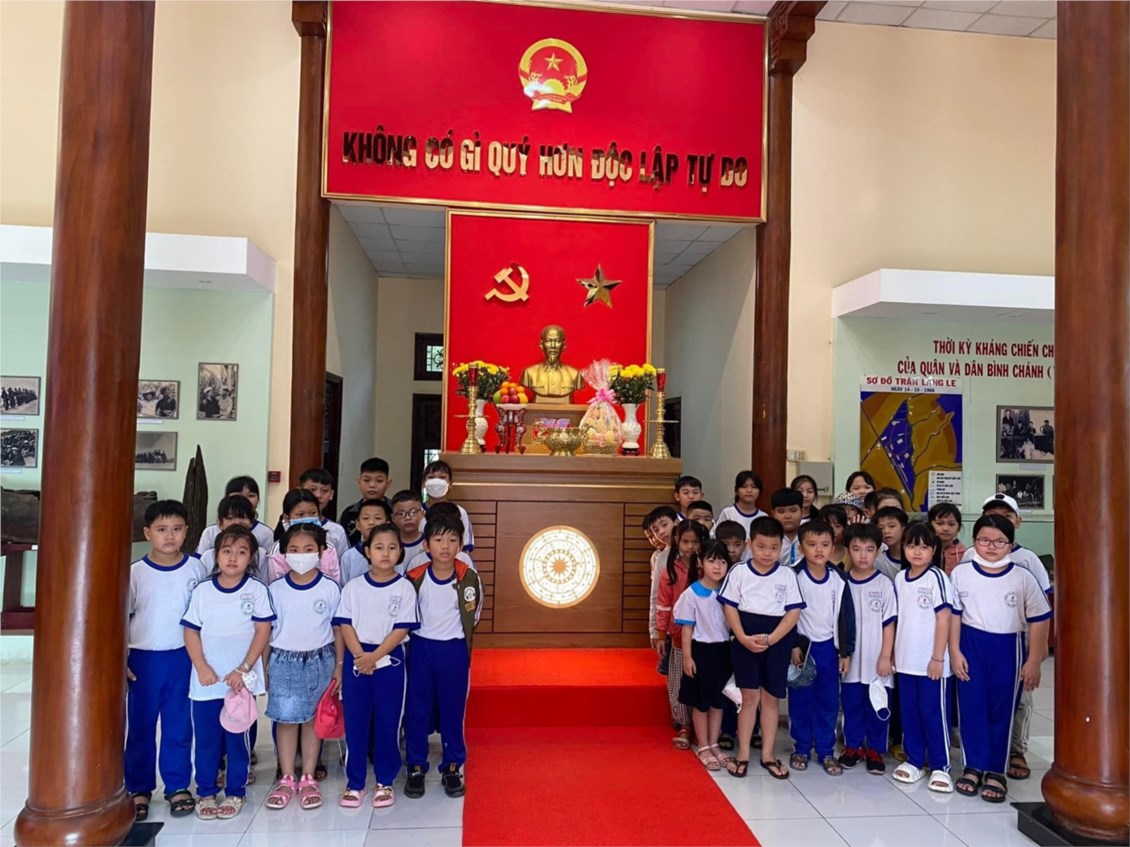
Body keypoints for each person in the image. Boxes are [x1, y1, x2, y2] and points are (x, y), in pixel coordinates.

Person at [950, 514, 1051, 804]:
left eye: (999, 541)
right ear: (974, 542)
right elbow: (954, 615)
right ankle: (973, 766)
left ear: (1010, 544)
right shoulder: (961, 573)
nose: (991, 546)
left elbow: (1040, 618)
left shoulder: (1022, 576)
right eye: (984, 540)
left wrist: (1033, 660)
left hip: (1008, 647)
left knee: (1001, 709)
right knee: (971, 706)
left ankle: (996, 770)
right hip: (970, 644)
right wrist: (955, 651)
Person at [181, 525, 275, 820]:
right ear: (216, 555)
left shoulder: (257, 590)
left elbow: (263, 631)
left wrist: (243, 669)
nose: (233, 557)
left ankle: (236, 791)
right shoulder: (203, 591)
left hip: (240, 684)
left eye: (242, 552)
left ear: (252, 558)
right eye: (227, 551)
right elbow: (191, 632)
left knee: (237, 741)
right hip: (206, 683)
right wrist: (202, 666)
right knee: (206, 741)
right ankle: (206, 791)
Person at [125, 500, 209, 821]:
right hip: (143, 660)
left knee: (178, 725)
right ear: (148, 533)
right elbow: (121, 618)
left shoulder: (196, 569)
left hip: (182, 658)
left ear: (187, 531)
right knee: (141, 726)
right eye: (161, 530)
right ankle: (138, 788)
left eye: (176, 529)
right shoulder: (135, 573)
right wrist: (121, 658)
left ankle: (177, 785)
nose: (170, 536)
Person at [334, 523, 419, 808]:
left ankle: (384, 780)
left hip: (390, 660)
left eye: (392, 548)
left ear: (400, 552)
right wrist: (361, 656)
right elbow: (345, 624)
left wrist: (374, 657)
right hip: (357, 659)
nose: (385, 553)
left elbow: (401, 629)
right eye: (379, 547)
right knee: (356, 723)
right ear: (367, 551)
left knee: (388, 722)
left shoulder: (405, 588)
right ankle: (355, 783)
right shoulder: (353, 587)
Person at [264, 523, 342, 812]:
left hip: (321, 660)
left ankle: (308, 776)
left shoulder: (330, 587)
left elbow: (338, 630)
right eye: (294, 550)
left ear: (321, 552)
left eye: (308, 549)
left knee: (313, 720)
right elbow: (266, 632)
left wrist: (339, 666)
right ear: (284, 553)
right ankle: (287, 777)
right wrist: (263, 668)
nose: (301, 555)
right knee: (286, 720)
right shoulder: (275, 589)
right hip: (283, 660)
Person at [404, 515, 483, 799]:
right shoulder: (415, 577)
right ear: (426, 545)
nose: (445, 546)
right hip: (421, 648)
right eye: (438, 540)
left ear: (461, 544)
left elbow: (474, 614)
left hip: (453, 650)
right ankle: (416, 765)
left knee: (453, 709)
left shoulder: (469, 577)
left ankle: (452, 765)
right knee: (417, 709)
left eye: (452, 540)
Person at [718, 516, 803, 780]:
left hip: (777, 642)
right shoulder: (739, 572)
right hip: (745, 640)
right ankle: (743, 753)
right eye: (761, 546)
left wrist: (772, 639)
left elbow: (793, 613)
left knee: (770, 698)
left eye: (774, 548)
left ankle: (767, 754)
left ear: (781, 547)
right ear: (749, 544)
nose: (768, 553)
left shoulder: (787, 575)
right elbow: (729, 606)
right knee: (748, 698)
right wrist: (742, 637)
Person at [891, 522, 955, 793]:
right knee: (910, 712)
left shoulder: (937, 577)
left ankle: (941, 766)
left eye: (924, 547)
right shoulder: (899, 578)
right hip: (905, 661)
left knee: (933, 713)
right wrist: (893, 654)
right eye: (911, 546)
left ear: (934, 549)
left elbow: (944, 618)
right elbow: (898, 619)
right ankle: (914, 760)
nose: (917, 552)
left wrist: (938, 658)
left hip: (932, 663)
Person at [788, 520, 855, 776]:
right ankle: (802, 747)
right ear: (801, 547)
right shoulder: (793, 576)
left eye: (825, 545)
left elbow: (847, 618)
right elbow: (785, 614)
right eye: (812, 544)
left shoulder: (839, 578)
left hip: (829, 648)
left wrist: (846, 652)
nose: (819, 550)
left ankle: (826, 750)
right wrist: (792, 645)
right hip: (803, 651)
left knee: (828, 702)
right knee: (800, 701)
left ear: (832, 547)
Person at [839, 523, 897, 775]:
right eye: (856, 549)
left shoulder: (884, 584)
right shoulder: (842, 583)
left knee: (877, 704)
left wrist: (886, 655)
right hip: (851, 659)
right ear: (848, 550)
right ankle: (852, 746)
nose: (863, 555)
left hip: (877, 658)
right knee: (851, 703)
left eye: (869, 549)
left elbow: (889, 623)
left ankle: (875, 749)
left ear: (878, 551)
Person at [676, 540, 735, 771]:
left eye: (722, 561)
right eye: (712, 561)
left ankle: (714, 743)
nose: (718, 566)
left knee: (718, 701)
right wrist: (688, 658)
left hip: (723, 651)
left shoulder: (729, 591)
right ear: (701, 563)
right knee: (701, 703)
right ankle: (702, 745)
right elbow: (687, 629)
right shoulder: (692, 593)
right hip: (701, 651)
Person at [656, 520, 709, 749]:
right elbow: (663, 604)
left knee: (701, 680)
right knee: (678, 680)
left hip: (705, 634)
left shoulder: (706, 567)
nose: (690, 546)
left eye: (695, 542)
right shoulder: (670, 569)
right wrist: (661, 634)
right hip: (678, 634)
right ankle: (684, 724)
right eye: (685, 541)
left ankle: (701, 727)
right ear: (677, 541)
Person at [266, 489, 341, 584]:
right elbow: (276, 584)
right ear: (286, 518)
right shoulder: (277, 551)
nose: (307, 518)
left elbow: (334, 582)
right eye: (300, 514)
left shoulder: (328, 548)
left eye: (313, 513)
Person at [644, 506, 679, 676]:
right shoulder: (661, 559)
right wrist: (655, 629)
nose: (661, 532)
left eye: (664, 525)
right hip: (671, 625)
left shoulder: (695, 550)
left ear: (676, 522)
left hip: (696, 626)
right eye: (656, 530)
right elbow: (655, 596)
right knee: (672, 672)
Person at [197, 476, 274, 554]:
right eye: (230, 518)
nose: (244, 499)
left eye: (251, 496)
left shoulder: (266, 533)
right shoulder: (210, 532)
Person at [196, 495, 271, 573]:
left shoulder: (261, 555)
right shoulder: (208, 556)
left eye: (243, 517)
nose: (237, 522)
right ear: (219, 523)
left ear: (251, 522)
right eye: (230, 518)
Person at [420, 459, 474, 553]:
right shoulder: (417, 512)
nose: (436, 481)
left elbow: (465, 547)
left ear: (450, 484)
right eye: (431, 477)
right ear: (424, 483)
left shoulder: (460, 512)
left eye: (442, 477)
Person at [298, 468, 351, 558]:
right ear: (300, 491)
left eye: (325, 491)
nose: (318, 495)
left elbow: (344, 561)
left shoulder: (337, 530)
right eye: (312, 489)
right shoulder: (288, 525)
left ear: (331, 494)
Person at [339, 457, 392, 546]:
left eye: (379, 481)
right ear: (359, 482)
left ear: (388, 484)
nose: (372, 485)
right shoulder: (349, 514)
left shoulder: (396, 512)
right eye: (366, 480)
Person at [340, 499, 393, 583]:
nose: (371, 522)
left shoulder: (393, 554)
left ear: (387, 524)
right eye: (366, 518)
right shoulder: (348, 556)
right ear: (357, 525)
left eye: (378, 518)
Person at [716, 471, 767, 537]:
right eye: (744, 486)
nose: (749, 490)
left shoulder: (763, 517)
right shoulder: (727, 512)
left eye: (754, 487)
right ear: (736, 490)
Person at [928, 503, 966, 574]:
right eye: (939, 523)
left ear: (958, 528)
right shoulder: (924, 550)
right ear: (929, 525)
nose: (945, 529)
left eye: (951, 524)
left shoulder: (964, 554)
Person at [770, 488, 804, 567]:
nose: (787, 516)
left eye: (793, 511)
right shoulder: (768, 537)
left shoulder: (810, 535)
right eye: (781, 511)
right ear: (773, 514)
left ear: (802, 512)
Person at [874, 506, 909, 580]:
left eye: (892, 526)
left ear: (904, 527)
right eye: (881, 528)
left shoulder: (915, 556)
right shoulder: (878, 561)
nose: (886, 531)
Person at [818, 504, 849, 571]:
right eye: (827, 525)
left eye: (837, 526)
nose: (833, 530)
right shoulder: (813, 554)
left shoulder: (851, 554)